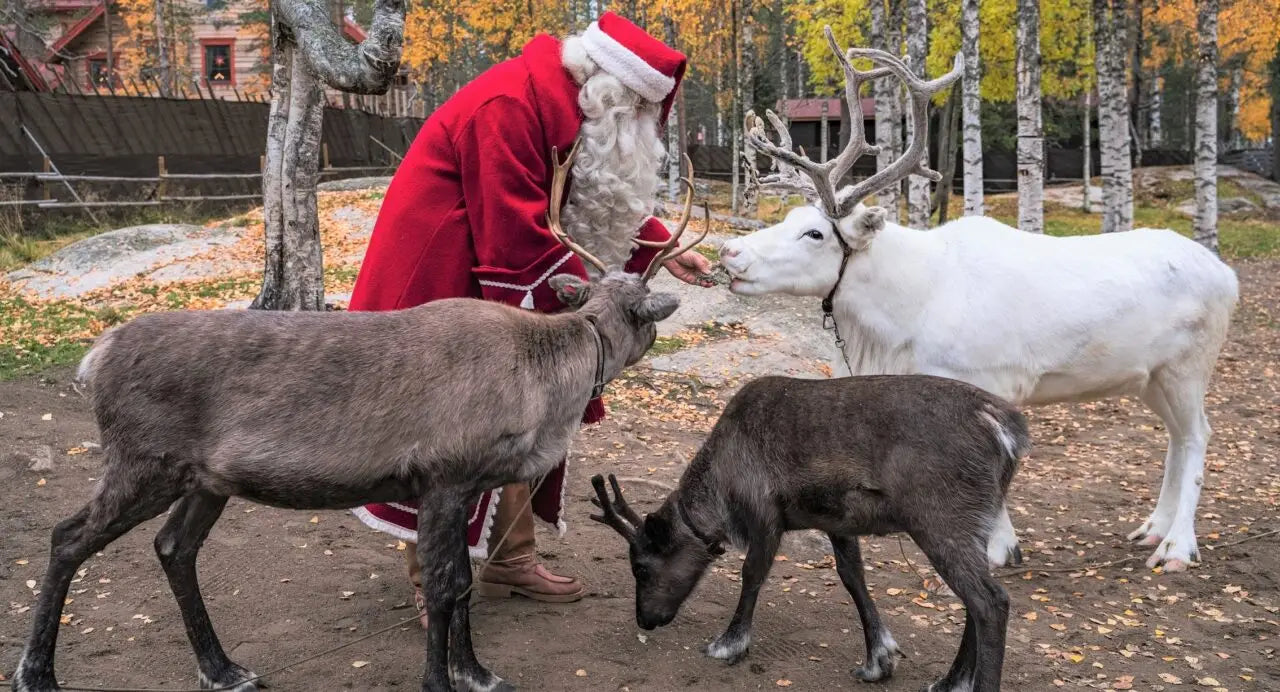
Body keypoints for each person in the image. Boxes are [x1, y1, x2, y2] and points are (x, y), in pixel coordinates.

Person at [347, 12, 714, 628]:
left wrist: (661, 246)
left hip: (488, 270)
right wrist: (592, 321)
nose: (647, 131)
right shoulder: (507, 106)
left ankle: (509, 560)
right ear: (611, 94)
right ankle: (433, 577)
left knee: (522, 410)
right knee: (452, 427)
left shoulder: (567, 109)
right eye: (643, 118)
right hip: (442, 274)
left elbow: (594, 194)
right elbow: (516, 236)